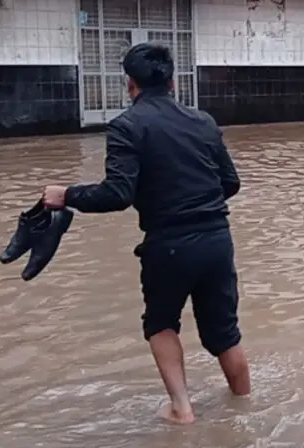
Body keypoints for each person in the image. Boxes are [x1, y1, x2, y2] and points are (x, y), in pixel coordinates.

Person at [42, 43, 250, 424]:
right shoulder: (203, 121)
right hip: (218, 241)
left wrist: (66, 195)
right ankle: (245, 404)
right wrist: (197, 199)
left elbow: (118, 194)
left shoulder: (126, 126)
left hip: (169, 246)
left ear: (129, 83)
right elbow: (230, 183)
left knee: (161, 324)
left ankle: (182, 410)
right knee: (224, 332)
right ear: (172, 81)